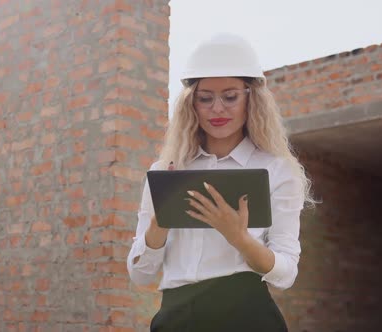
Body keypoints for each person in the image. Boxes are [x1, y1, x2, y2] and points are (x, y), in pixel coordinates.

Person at [126, 33, 314, 331]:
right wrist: (159, 224)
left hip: (247, 317)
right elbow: (140, 275)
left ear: (250, 98)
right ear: (192, 103)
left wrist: (239, 238)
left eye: (230, 96)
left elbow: (286, 273)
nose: (217, 109)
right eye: (205, 98)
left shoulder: (276, 171)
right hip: (175, 318)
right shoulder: (167, 171)